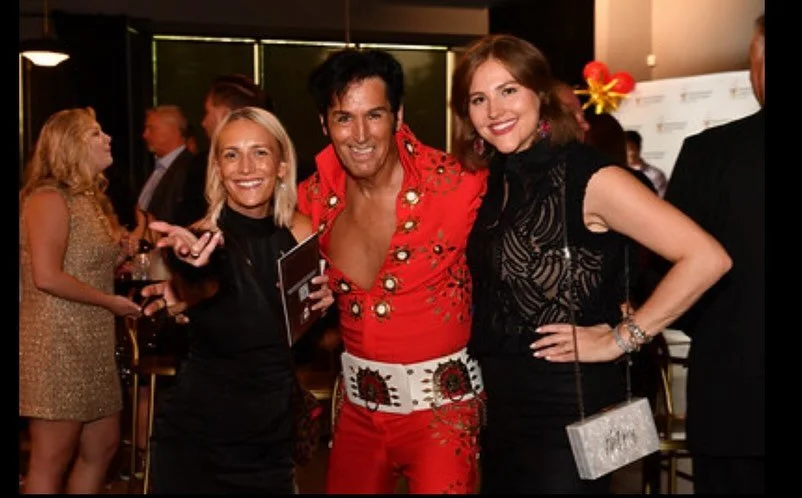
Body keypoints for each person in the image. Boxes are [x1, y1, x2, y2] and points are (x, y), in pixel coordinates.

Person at [449, 33, 732, 494]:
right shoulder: (494, 179)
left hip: (568, 412)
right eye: (478, 99)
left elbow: (706, 258)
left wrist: (623, 337)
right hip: (501, 413)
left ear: (540, 94)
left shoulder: (590, 175)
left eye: (508, 90)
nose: (494, 110)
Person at [292, 47, 489, 494]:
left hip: (444, 417)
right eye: (344, 118)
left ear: (398, 117)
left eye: (374, 115)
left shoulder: (458, 183)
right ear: (325, 124)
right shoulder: (312, 199)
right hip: (357, 417)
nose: (360, 135)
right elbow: (256, 239)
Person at [141, 106, 334, 493]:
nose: (246, 167)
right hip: (199, 447)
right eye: (231, 154)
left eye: (260, 152)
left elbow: (303, 337)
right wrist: (188, 270)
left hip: (272, 443)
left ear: (281, 165)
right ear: (218, 168)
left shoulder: (302, 233)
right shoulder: (203, 240)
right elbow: (201, 272)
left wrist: (321, 305)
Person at [661, 13, 764, 494]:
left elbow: (674, 282)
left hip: (735, 400)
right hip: (733, 405)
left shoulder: (710, 154)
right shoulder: (710, 153)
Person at [19, 107, 142, 493]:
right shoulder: (47, 197)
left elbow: (83, 263)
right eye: (95, 133)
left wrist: (122, 254)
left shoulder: (88, 199)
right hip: (56, 344)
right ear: (68, 145)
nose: (107, 138)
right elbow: (47, 275)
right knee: (51, 458)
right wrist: (109, 301)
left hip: (91, 342)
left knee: (102, 447)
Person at [132, 105, 195, 243]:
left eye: (151, 129)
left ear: (173, 130)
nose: (145, 135)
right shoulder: (160, 167)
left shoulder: (190, 168)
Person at [624, 130, 668, 198]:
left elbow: (661, 200)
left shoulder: (655, 175)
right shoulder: (616, 173)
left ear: (639, 148)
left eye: (631, 148)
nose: (630, 153)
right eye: (625, 149)